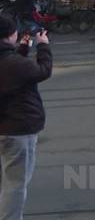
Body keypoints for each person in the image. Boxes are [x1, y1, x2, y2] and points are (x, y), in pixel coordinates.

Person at [0, 15, 52, 219]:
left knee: (7, 180)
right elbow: (42, 71)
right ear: (8, 36)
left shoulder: (10, 61)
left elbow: (13, 70)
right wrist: (43, 46)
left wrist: (22, 49)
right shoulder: (13, 64)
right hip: (18, 129)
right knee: (16, 184)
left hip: (5, 127)